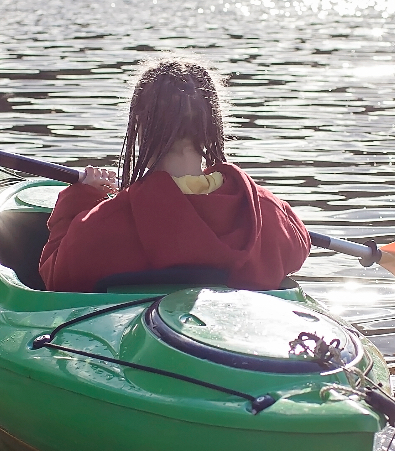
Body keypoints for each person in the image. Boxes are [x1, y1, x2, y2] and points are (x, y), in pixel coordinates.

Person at [38, 57, 310, 292]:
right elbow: (299, 248)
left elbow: (55, 278)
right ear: (211, 125)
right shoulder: (268, 214)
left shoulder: (103, 225)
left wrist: (82, 199)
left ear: (141, 125)